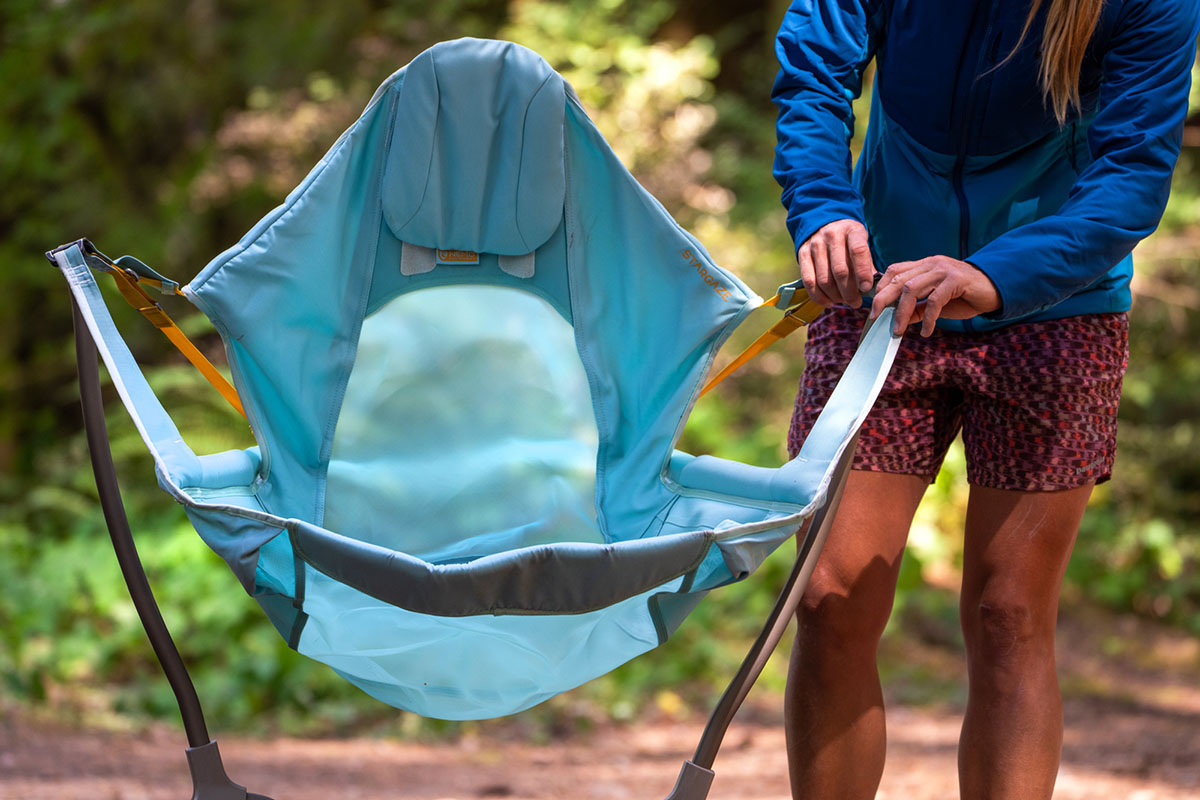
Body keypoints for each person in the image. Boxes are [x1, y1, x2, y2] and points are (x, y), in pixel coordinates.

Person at [771, 1, 1199, 798]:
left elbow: (1133, 175)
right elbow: (814, 71)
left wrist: (996, 278)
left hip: (1056, 310)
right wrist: (824, 204)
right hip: (884, 296)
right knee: (828, 595)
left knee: (1009, 617)